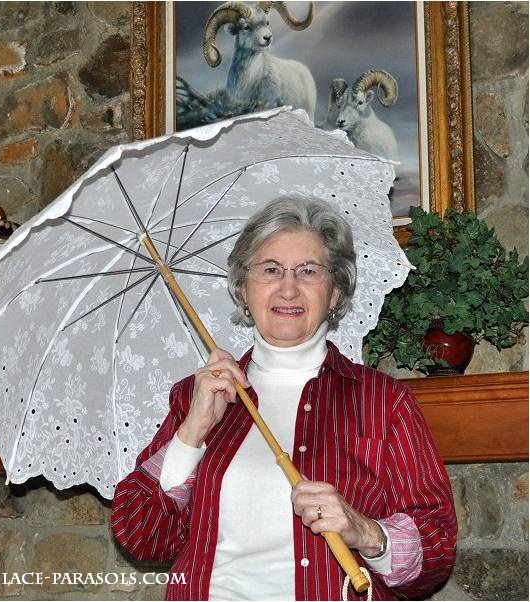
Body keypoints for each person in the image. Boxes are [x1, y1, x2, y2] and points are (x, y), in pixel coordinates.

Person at [111, 197, 457, 601]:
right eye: (271, 269)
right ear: (243, 288)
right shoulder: (196, 395)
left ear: (335, 292)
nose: (288, 288)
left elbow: (437, 547)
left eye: (308, 271)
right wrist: (193, 431)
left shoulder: (383, 400)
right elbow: (141, 537)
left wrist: (364, 531)